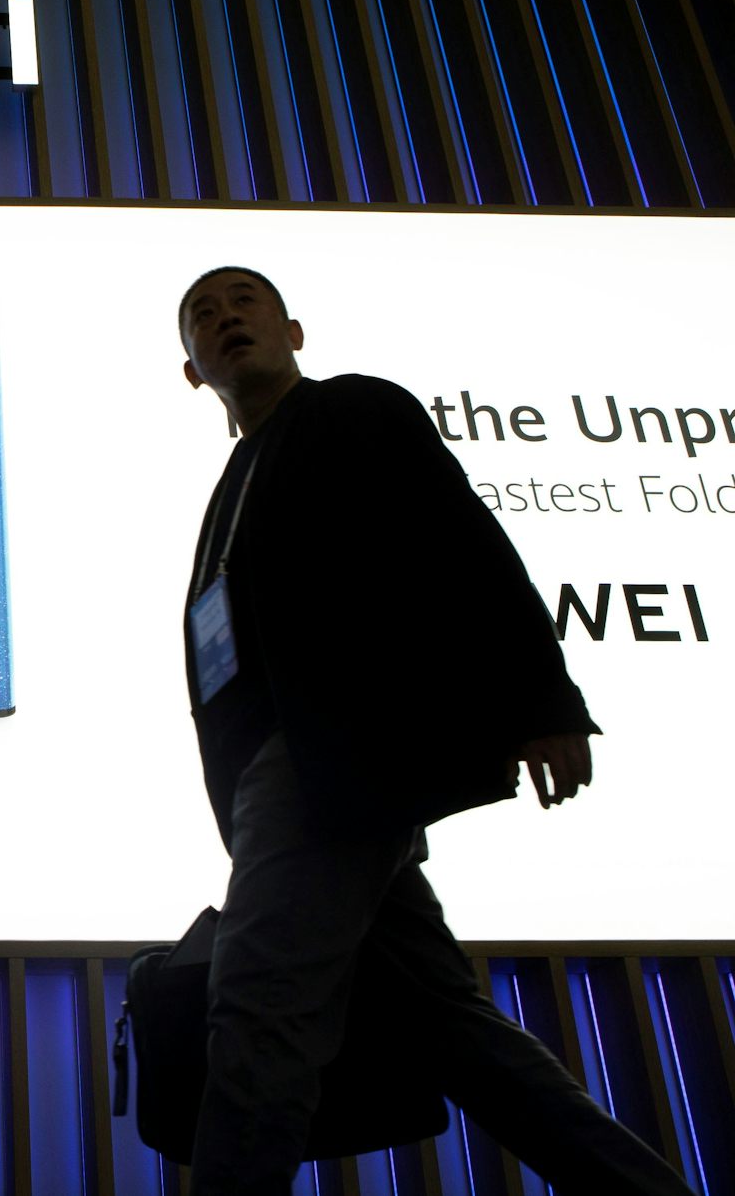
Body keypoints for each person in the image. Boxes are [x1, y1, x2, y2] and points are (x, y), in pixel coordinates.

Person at [174, 267, 691, 1195]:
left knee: (258, 1007)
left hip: (331, 766)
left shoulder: (352, 408)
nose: (227, 319)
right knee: (455, 1035)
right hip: (296, 787)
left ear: (294, 329)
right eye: (204, 316)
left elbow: (463, 540)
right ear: (191, 370)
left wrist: (545, 701)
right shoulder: (229, 492)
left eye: (245, 301)